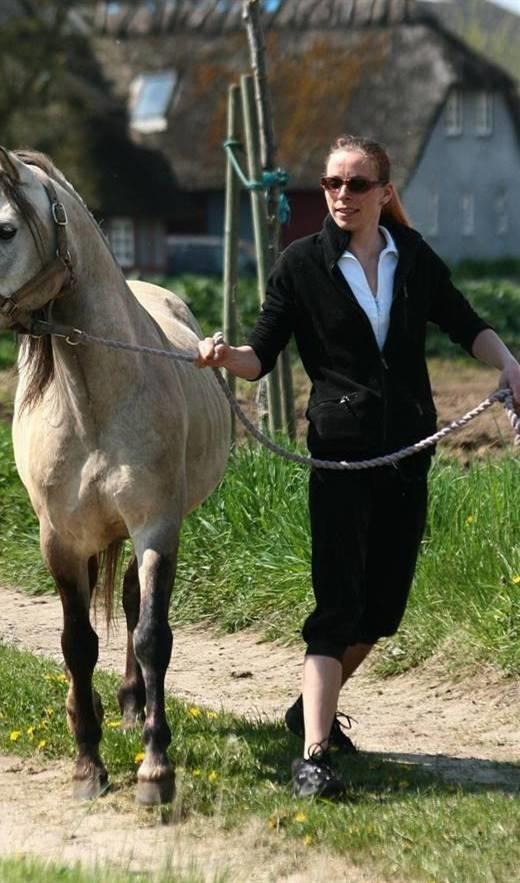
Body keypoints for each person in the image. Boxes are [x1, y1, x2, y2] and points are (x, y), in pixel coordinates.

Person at [195, 134, 520, 799]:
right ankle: (315, 754)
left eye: (356, 184)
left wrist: (510, 364)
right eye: (332, 185)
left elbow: (466, 323)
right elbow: (262, 354)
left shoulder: (415, 259)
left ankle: (305, 709)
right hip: (339, 454)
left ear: (384, 192)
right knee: (337, 605)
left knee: (382, 609)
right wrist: (225, 357)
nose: (341, 196)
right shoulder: (299, 266)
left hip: (408, 451)